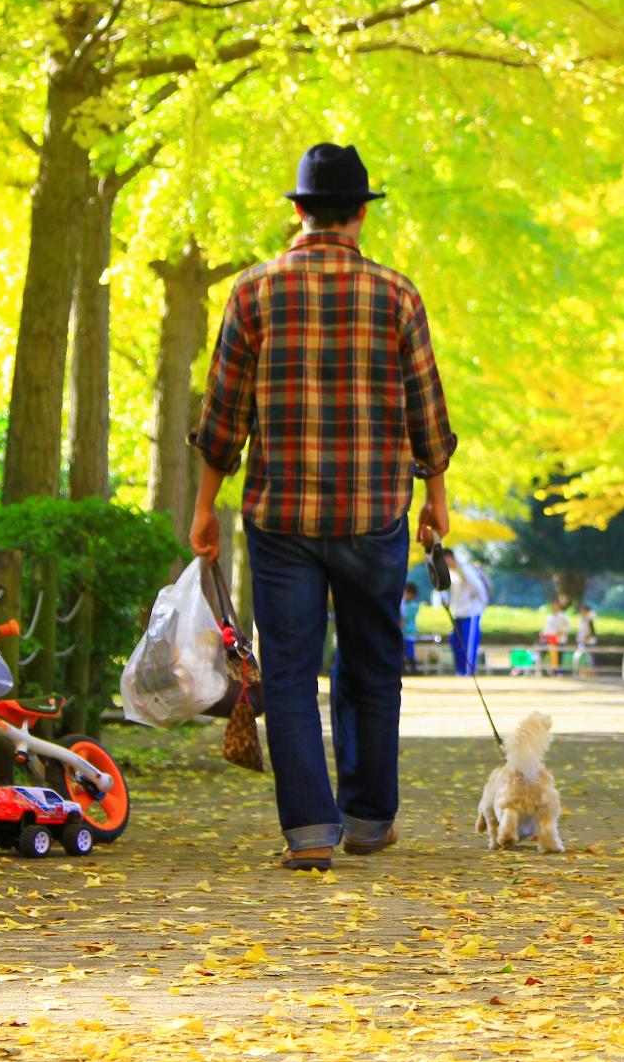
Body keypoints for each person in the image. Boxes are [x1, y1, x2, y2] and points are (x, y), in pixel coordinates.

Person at [189, 142, 455, 871]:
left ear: (299, 210)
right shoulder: (398, 296)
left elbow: (223, 416)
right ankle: (368, 817)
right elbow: (426, 413)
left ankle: (309, 828)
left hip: (281, 519)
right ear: (362, 214)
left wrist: (205, 505)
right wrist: (435, 498)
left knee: (288, 670)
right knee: (371, 664)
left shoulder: (252, 292)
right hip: (374, 514)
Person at [443, 547, 491, 676]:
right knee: (455, 642)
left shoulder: (465, 570)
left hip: (471, 613)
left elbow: (479, 590)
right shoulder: (451, 573)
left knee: (468, 643)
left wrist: (477, 606)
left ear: (450, 558)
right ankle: (459, 671)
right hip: (458, 613)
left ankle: (468, 672)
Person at [400, 583, 424, 676]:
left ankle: (411, 669)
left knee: (409, 651)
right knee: (403, 652)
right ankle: (405, 669)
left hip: (409, 633)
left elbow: (406, 617)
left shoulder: (412, 605)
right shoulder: (404, 602)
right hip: (404, 632)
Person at [541, 598, 570, 672]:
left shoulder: (563, 616)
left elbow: (567, 627)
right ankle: (553, 671)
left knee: (560, 656)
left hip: (560, 639)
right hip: (551, 640)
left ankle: (560, 672)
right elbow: (547, 628)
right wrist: (543, 635)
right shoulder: (551, 617)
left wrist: (561, 633)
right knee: (552, 656)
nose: (554, 606)